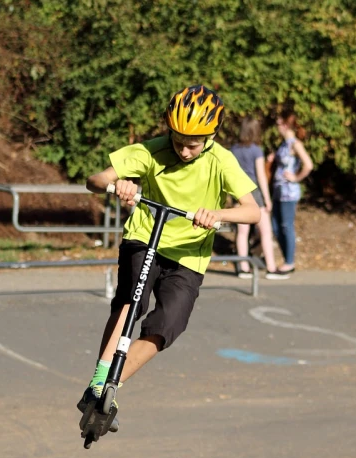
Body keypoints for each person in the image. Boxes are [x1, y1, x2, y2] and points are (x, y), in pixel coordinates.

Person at [80, 85, 261, 431]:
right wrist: (120, 184)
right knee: (131, 302)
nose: (185, 150)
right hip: (145, 238)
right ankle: (99, 382)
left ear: (210, 136)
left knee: (168, 325)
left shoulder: (221, 160)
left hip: (190, 254)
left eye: (193, 144)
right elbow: (96, 179)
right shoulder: (151, 150)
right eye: (178, 140)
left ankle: (108, 389)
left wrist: (217, 214)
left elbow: (253, 212)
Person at [230, 118, 288, 279]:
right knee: (265, 232)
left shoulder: (233, 150)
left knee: (242, 233)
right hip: (254, 193)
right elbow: (261, 176)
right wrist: (267, 199)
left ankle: (243, 267)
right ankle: (271, 267)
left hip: (238, 192)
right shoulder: (256, 150)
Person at [267, 108, 313, 276]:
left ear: (286, 125)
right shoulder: (283, 144)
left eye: (279, 123)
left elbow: (308, 164)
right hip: (278, 191)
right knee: (275, 226)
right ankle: (286, 259)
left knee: (286, 226)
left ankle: (289, 262)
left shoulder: (295, 144)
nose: (277, 126)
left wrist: (296, 177)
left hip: (289, 192)